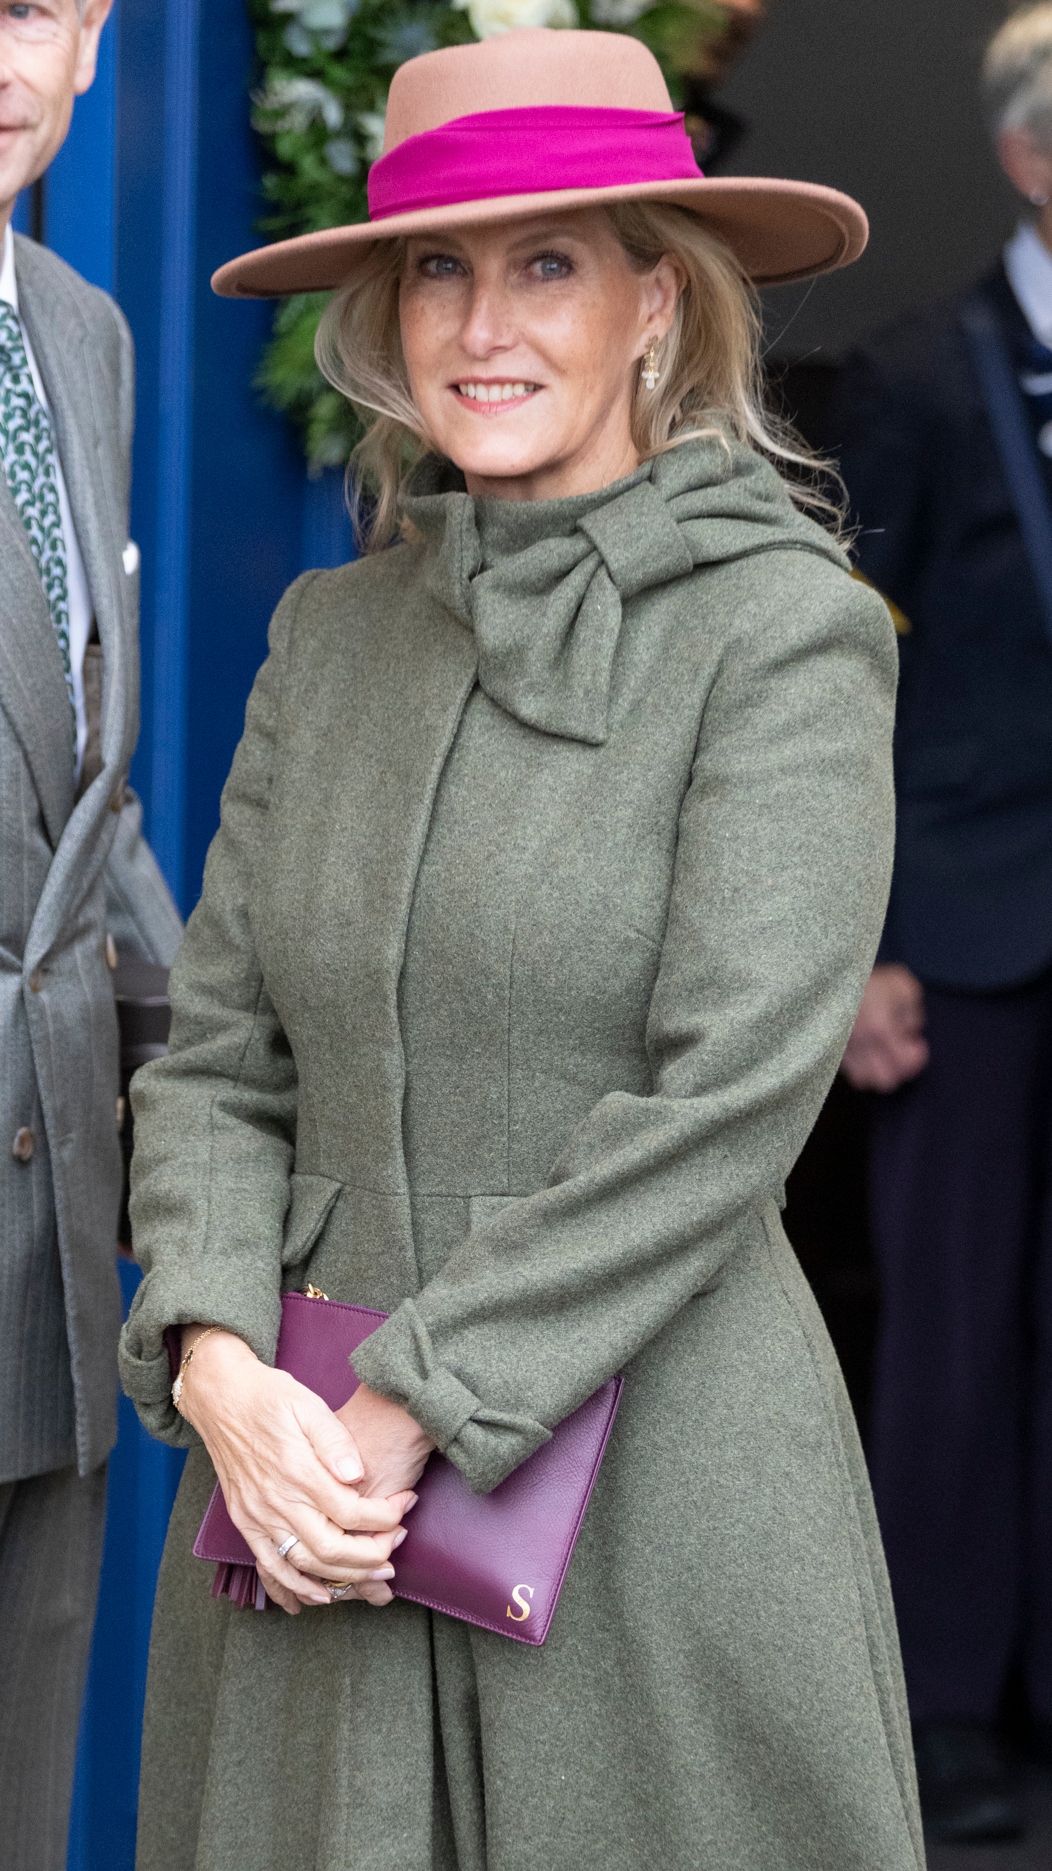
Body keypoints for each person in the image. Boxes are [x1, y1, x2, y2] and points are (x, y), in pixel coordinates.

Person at [120, 29, 922, 1871]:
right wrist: (226, 1372)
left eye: (548, 263)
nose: (484, 325)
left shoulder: (783, 635)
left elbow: (729, 1099)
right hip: (301, 1517)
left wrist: (408, 1403)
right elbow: (222, 1059)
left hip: (651, 1508)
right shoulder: (331, 637)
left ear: (656, 301)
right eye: (438, 269)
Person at [837, 2, 1052, 1845]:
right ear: (1026, 157)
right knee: (953, 1336)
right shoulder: (911, 373)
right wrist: (866, 948)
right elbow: (840, 694)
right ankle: (937, 1719)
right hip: (963, 938)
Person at [0, 2, 182, 1865]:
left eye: (38, 2)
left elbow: (91, 802)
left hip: (50, 1215)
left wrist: (220, 1093)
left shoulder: (81, 329)